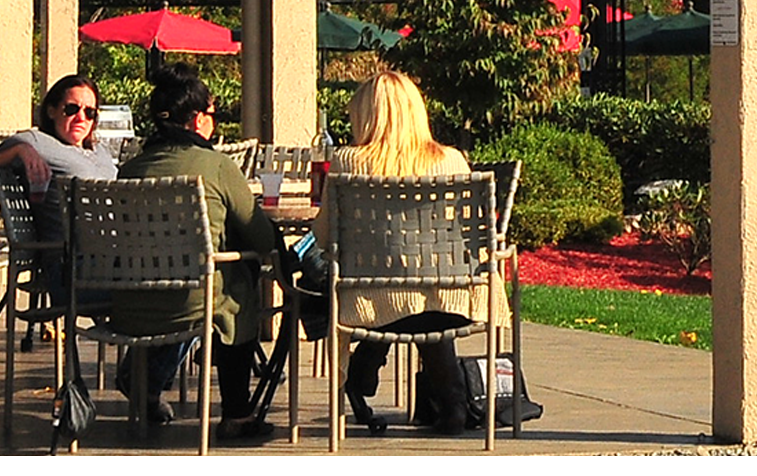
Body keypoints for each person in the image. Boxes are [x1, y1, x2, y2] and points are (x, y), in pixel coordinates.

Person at [113, 63, 281, 442]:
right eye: (212, 114)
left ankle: (144, 379)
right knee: (237, 282)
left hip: (130, 305)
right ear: (194, 120)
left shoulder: (129, 170)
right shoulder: (216, 165)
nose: (214, 122)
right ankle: (236, 413)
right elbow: (261, 237)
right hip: (192, 304)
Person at [314, 70, 482, 436]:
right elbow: (471, 237)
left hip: (370, 306)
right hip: (449, 306)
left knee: (390, 294)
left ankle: (359, 377)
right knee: (423, 294)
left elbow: (323, 237)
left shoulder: (348, 161)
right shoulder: (451, 161)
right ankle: (453, 403)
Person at [0, 74, 117, 190]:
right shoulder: (35, 142)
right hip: (71, 233)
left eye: (89, 112)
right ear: (51, 111)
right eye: (71, 109)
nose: (81, 118)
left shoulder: (100, 150)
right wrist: (18, 150)